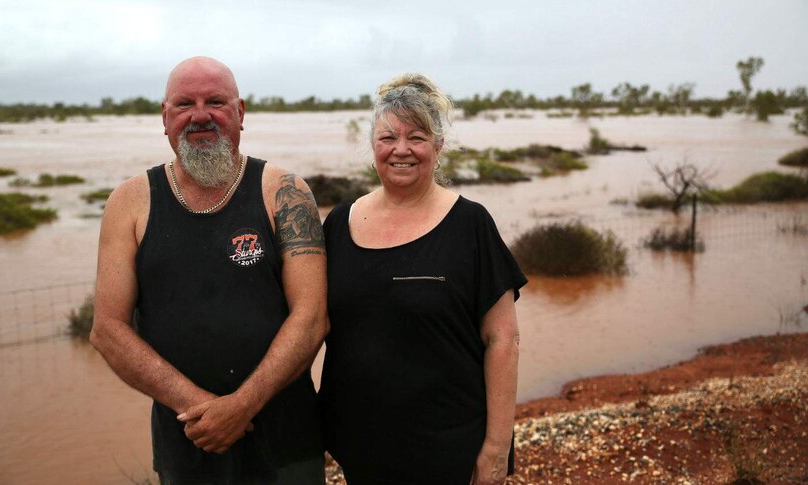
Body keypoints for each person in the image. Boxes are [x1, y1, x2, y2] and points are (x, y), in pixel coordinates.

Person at [90, 56, 328, 484]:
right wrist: (203, 409)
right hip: (189, 441)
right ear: (165, 118)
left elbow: (311, 319)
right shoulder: (130, 202)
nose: (200, 115)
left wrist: (240, 407)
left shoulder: (284, 192)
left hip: (286, 440)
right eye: (185, 104)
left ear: (240, 113)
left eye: (215, 101)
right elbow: (107, 330)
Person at [319, 74, 527, 485]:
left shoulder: (470, 224)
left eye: (416, 137)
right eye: (388, 137)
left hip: (449, 447)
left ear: (438, 146)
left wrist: (496, 448)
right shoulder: (339, 223)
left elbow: (503, 339)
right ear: (372, 146)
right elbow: (312, 322)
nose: (401, 150)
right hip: (361, 445)